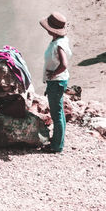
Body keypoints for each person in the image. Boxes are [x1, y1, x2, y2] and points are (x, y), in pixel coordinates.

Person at [40, 12, 71, 154]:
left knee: (57, 114)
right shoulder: (61, 41)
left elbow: (64, 64)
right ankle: (58, 142)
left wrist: (53, 74)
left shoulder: (58, 45)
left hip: (56, 82)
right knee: (59, 113)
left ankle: (56, 146)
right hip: (58, 81)